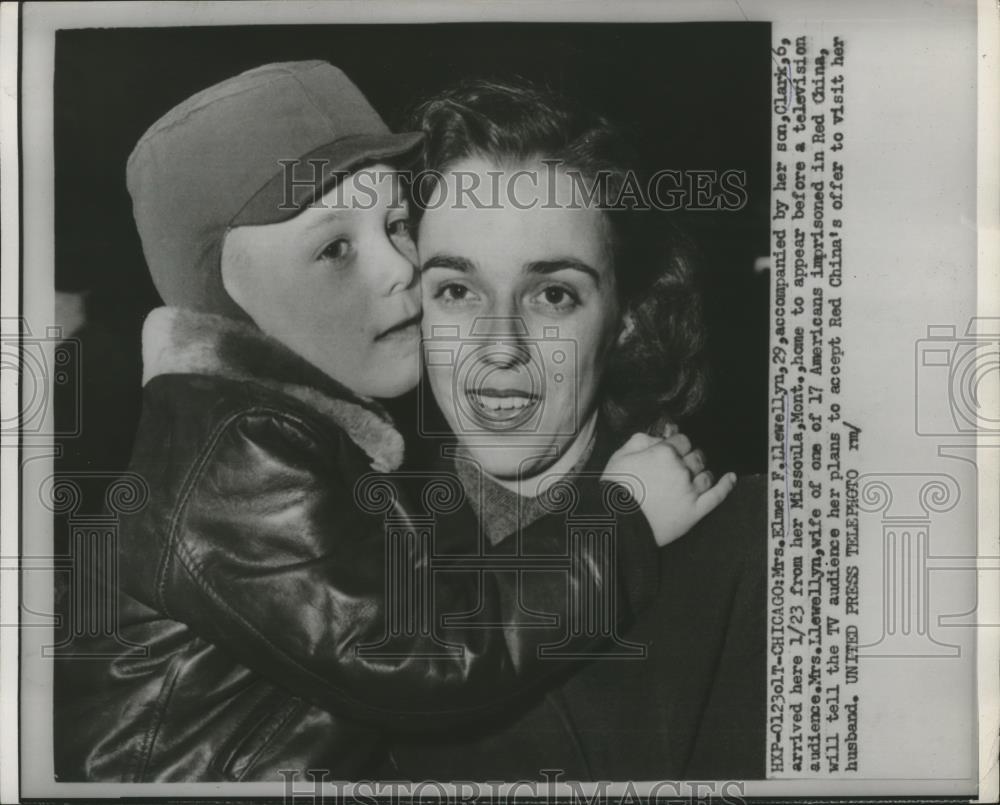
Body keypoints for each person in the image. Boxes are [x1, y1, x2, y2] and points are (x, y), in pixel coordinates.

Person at [54, 62, 735, 783]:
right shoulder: (238, 454)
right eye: (334, 248)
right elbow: (425, 654)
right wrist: (617, 517)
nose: (397, 270)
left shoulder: (304, 441)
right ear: (221, 295)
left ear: (627, 317)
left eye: (396, 226)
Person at [385, 79, 766, 780]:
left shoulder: (751, 550)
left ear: (626, 314)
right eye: (457, 290)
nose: (499, 346)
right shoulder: (331, 550)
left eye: (553, 293)